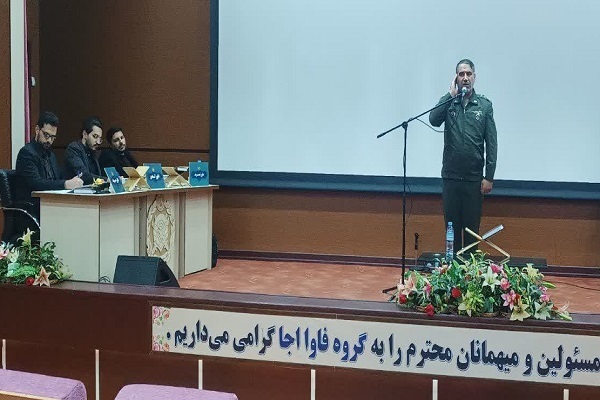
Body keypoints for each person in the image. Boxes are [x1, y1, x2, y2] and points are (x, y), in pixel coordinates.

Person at [429, 59, 498, 252]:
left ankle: (469, 269)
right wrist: (449, 96)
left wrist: (489, 176)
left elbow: (492, 143)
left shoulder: (484, 106)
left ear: (474, 77)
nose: (465, 78)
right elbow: (433, 120)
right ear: (456, 78)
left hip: (473, 180)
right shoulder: (450, 103)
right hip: (451, 178)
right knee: (451, 230)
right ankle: (452, 267)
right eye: (461, 74)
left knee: (471, 232)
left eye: (468, 74)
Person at [15, 111, 84, 220]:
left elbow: (57, 179)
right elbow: (36, 184)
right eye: (46, 135)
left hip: (50, 206)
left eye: (52, 137)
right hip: (32, 209)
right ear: (37, 130)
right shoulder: (27, 153)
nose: (49, 140)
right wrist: (65, 184)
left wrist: (72, 180)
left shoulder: (50, 155)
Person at [65, 116, 104, 184]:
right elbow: (83, 175)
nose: (98, 142)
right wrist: (107, 180)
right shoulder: (73, 149)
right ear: (85, 134)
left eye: (100, 139)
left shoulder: (93, 152)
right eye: (95, 137)